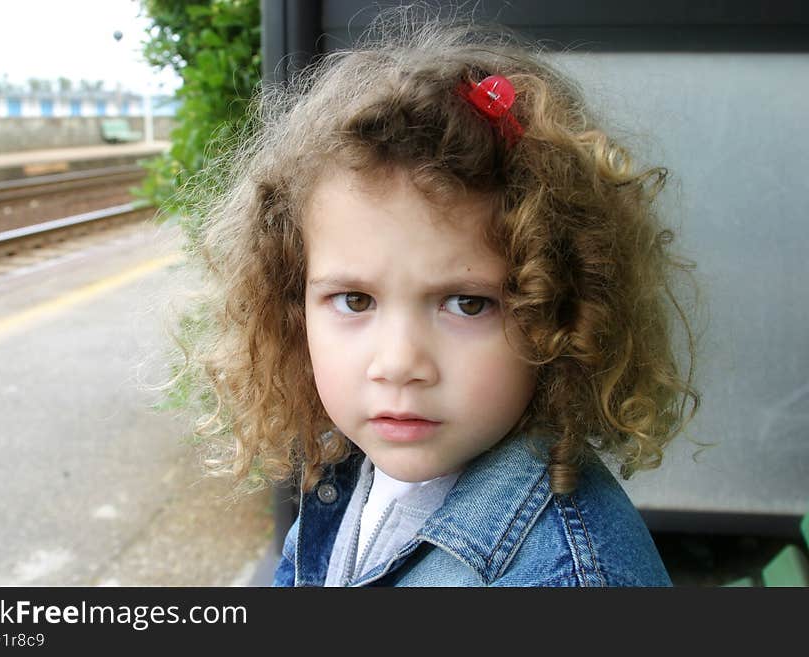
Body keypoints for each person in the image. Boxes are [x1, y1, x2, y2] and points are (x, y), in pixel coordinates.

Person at [183, 8, 700, 586]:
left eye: (467, 303)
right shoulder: (355, 463)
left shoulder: (567, 577)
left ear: (559, 312)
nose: (399, 363)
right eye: (355, 300)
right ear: (290, 307)